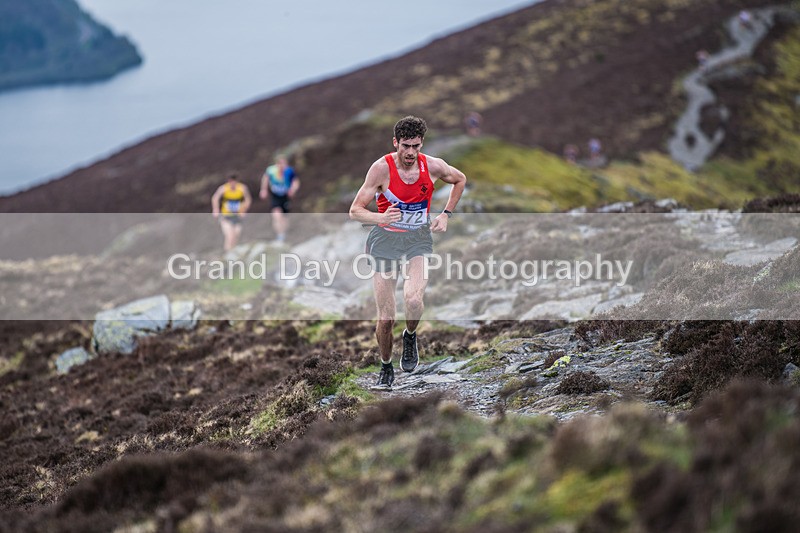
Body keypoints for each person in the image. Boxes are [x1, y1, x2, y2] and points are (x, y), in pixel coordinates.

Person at [349, 116, 467, 390]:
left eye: (415, 145)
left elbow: (460, 180)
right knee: (386, 317)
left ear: (421, 143)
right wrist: (380, 219)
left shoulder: (433, 166)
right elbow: (355, 210)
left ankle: (411, 335)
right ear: (396, 143)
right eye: (405, 146)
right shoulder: (381, 169)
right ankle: (386, 366)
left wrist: (446, 214)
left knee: (413, 300)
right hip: (385, 242)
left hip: (418, 239)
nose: (411, 152)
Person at [260, 156, 300, 243]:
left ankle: (285, 233)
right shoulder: (271, 170)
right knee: (277, 215)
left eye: (284, 164)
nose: (283, 166)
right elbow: (265, 179)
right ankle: (280, 235)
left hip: (285, 197)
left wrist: (293, 190)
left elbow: (296, 182)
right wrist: (264, 190)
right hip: (275, 196)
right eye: (281, 164)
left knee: (284, 218)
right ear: (277, 164)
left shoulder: (289, 171)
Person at [211, 172, 252, 252]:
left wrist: (244, 210)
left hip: (237, 216)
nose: (232, 183)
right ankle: (227, 254)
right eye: (231, 181)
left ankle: (233, 252)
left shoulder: (242, 188)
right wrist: (215, 209)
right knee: (230, 236)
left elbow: (248, 200)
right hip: (226, 216)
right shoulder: (223, 188)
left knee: (236, 235)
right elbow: (215, 198)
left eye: (234, 181)